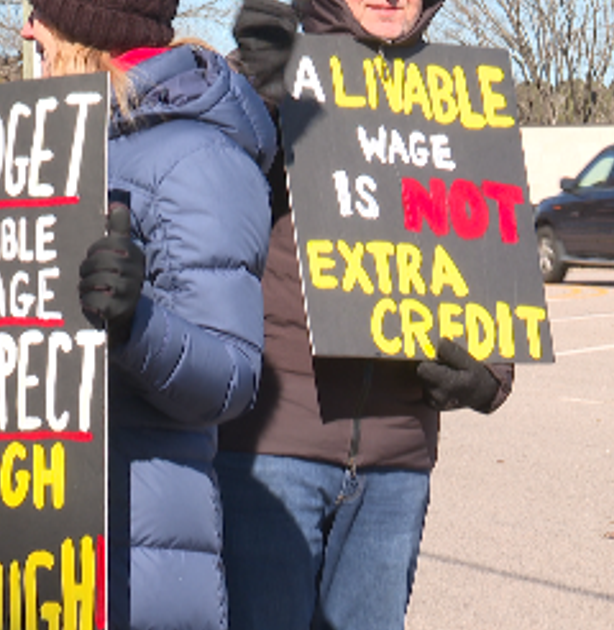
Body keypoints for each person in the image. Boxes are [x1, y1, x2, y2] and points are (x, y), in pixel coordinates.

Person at [0, 1, 276, 628]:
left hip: (132, 572)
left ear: (90, 26)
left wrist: (134, 326)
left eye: (41, 12)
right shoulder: (20, 149)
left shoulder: (198, 158)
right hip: (14, 564)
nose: (25, 29)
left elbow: (231, 379)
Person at [217, 0, 515, 628]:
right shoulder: (272, 73)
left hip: (396, 462)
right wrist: (251, 93)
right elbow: (194, 190)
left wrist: (490, 371)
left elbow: (486, 252)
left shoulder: (459, 97)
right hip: (272, 453)